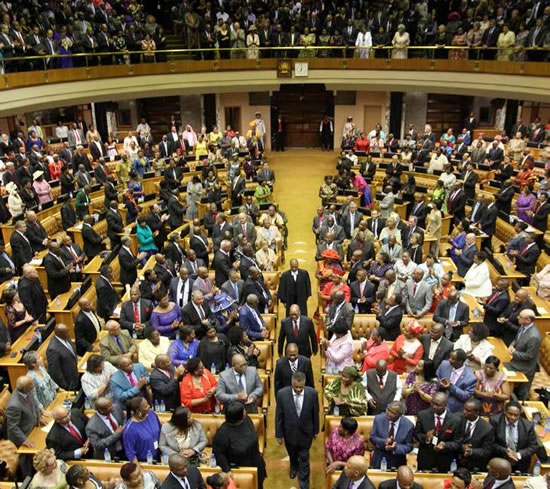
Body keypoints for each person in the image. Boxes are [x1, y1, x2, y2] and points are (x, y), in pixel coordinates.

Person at [276, 371, 319, 489]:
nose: (299, 390)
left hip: (306, 432)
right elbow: (279, 415)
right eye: (296, 387)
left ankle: (304, 485)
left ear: (304, 384)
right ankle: (293, 466)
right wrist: (279, 434)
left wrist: (316, 430)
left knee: (304, 458)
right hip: (289, 433)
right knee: (292, 454)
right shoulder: (281, 394)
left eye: (301, 387)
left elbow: (315, 413)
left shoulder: (312, 393)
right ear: (291, 383)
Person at [414, 392, 462, 472]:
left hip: (445, 461)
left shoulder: (455, 420)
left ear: (445, 405)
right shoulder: (422, 415)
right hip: (426, 460)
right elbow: (416, 434)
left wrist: (445, 445)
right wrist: (426, 438)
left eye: (438, 405)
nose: (434, 407)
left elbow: (458, 443)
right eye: (432, 403)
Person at [490, 400, 538, 474]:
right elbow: (490, 442)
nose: (512, 417)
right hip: (499, 460)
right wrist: (505, 451)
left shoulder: (528, 426)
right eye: (510, 414)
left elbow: (533, 446)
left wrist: (518, 454)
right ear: (505, 411)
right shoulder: (495, 421)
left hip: (520, 463)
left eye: (516, 415)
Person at [505, 309, 541, 400]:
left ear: (528, 320)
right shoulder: (523, 326)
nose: (517, 317)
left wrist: (514, 353)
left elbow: (529, 356)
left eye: (520, 317)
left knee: (522, 394)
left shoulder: (534, 336)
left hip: (525, 368)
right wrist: (511, 345)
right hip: (516, 362)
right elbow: (517, 339)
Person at [370, 400, 415, 469]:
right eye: (388, 410)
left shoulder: (408, 425)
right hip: (379, 459)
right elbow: (372, 437)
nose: (388, 413)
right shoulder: (378, 419)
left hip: (397, 462)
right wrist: (384, 441)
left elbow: (409, 446)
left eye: (393, 413)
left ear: (400, 414)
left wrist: (395, 448)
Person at [458, 398, 495, 472]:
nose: (464, 412)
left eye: (468, 411)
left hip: (475, 464)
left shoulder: (487, 428)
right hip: (456, 460)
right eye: (464, 409)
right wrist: (462, 447)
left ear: (477, 412)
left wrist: (471, 451)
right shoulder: (457, 419)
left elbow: (487, 451)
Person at [122, 396, 161, 463]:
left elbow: (160, 430)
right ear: (138, 410)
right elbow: (131, 453)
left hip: (159, 456)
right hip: (143, 461)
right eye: (146, 406)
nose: (149, 406)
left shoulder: (151, 413)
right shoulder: (130, 429)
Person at [46, 323, 79, 391]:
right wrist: (65, 386)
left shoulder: (65, 337)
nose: (68, 333)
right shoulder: (53, 349)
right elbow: (55, 371)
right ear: (59, 334)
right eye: (66, 332)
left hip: (74, 375)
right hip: (68, 383)